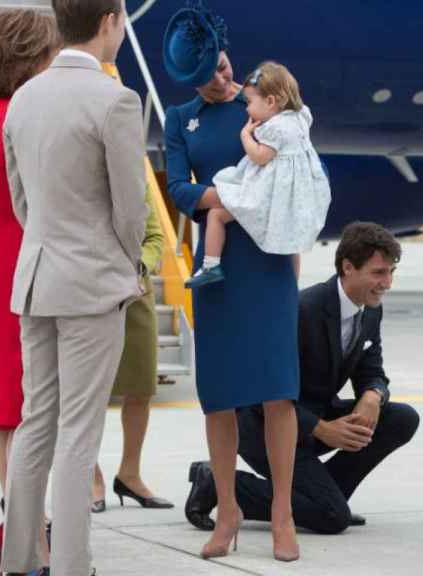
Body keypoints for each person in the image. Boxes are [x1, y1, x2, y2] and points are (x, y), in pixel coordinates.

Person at [0, 1, 147, 574]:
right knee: (78, 433)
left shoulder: (24, 98)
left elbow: (21, 201)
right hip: (91, 283)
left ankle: (17, 563)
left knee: (36, 423)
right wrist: (128, 262)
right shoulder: (115, 100)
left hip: (36, 278)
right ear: (110, 19)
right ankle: (71, 566)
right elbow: (131, 210)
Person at [162, 4, 300, 562]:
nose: (224, 80)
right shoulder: (180, 119)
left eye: (224, 67)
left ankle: (284, 513)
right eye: (211, 77)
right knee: (217, 397)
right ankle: (227, 509)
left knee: (277, 392)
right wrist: (225, 199)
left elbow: (297, 168)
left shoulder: (269, 106)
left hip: (268, 260)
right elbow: (175, 187)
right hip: (217, 265)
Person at [185, 222, 420, 536]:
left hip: (313, 418)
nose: (387, 283)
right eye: (379, 273)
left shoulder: (370, 310)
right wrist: (323, 429)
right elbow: (261, 393)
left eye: (391, 272)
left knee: (401, 419)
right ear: (348, 267)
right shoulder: (301, 311)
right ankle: (216, 481)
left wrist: (372, 396)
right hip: (264, 427)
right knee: (331, 518)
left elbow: (372, 371)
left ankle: (325, 498)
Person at [0, 10, 60, 561]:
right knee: (26, 412)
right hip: (20, 269)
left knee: (8, 412)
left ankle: (25, 527)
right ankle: (33, 537)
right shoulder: (16, 118)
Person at [185, 61, 331, 287]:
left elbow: (260, 157)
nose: (246, 109)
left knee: (216, 215)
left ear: (271, 102)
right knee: (290, 245)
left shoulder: (276, 128)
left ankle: (211, 265)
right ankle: (292, 283)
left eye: (251, 102)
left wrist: (245, 135)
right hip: (292, 192)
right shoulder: (301, 117)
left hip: (268, 191)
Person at [92, 189, 173, 513]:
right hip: (93, 295)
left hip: (136, 294)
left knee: (140, 388)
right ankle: (90, 478)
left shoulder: (136, 181)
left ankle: (129, 474)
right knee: (90, 393)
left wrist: (139, 268)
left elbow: (155, 238)